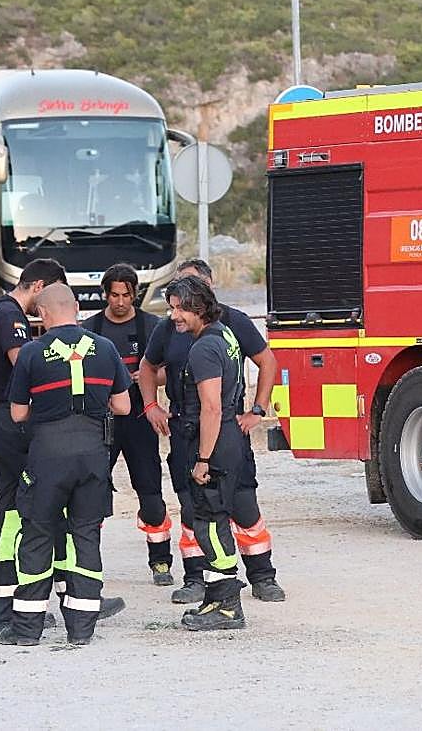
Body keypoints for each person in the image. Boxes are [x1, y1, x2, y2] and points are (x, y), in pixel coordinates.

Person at [139, 258, 285, 605]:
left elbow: (264, 363)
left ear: (206, 294)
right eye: (174, 300)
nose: (176, 310)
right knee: (194, 509)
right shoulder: (170, 329)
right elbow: (147, 367)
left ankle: (262, 575)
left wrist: (257, 411)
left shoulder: (229, 326)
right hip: (185, 428)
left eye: (185, 300)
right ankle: (197, 579)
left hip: (222, 427)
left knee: (243, 504)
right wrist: (151, 406)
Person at [2, 283, 133, 646]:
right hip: (93, 454)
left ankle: (27, 630)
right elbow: (123, 407)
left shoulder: (31, 352)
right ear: (75, 307)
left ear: (42, 314)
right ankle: (82, 629)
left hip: (47, 455)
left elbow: (17, 413)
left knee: (38, 536)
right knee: (86, 536)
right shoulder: (105, 349)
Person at [0, 258, 66, 630]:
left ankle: (6, 602)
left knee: (9, 506)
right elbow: (25, 364)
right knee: (28, 507)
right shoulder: (11, 318)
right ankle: (29, 600)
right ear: (39, 287)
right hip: (15, 422)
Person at [163, 275, 248, 630]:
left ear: (199, 307)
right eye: (171, 308)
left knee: (211, 525)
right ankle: (216, 599)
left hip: (214, 443)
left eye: (180, 308)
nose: (174, 316)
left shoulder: (204, 348)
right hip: (227, 439)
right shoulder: (224, 334)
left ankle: (228, 606)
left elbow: (211, 408)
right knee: (210, 521)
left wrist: (202, 460)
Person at [82, 263, 173, 586]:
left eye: (127, 295)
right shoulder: (90, 329)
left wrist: (146, 377)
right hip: (101, 423)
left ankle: (161, 561)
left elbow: (170, 370)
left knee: (150, 493)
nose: (120, 302)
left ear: (135, 295)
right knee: (91, 494)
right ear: (105, 294)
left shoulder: (154, 327)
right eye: (114, 295)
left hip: (139, 419)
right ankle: (86, 564)